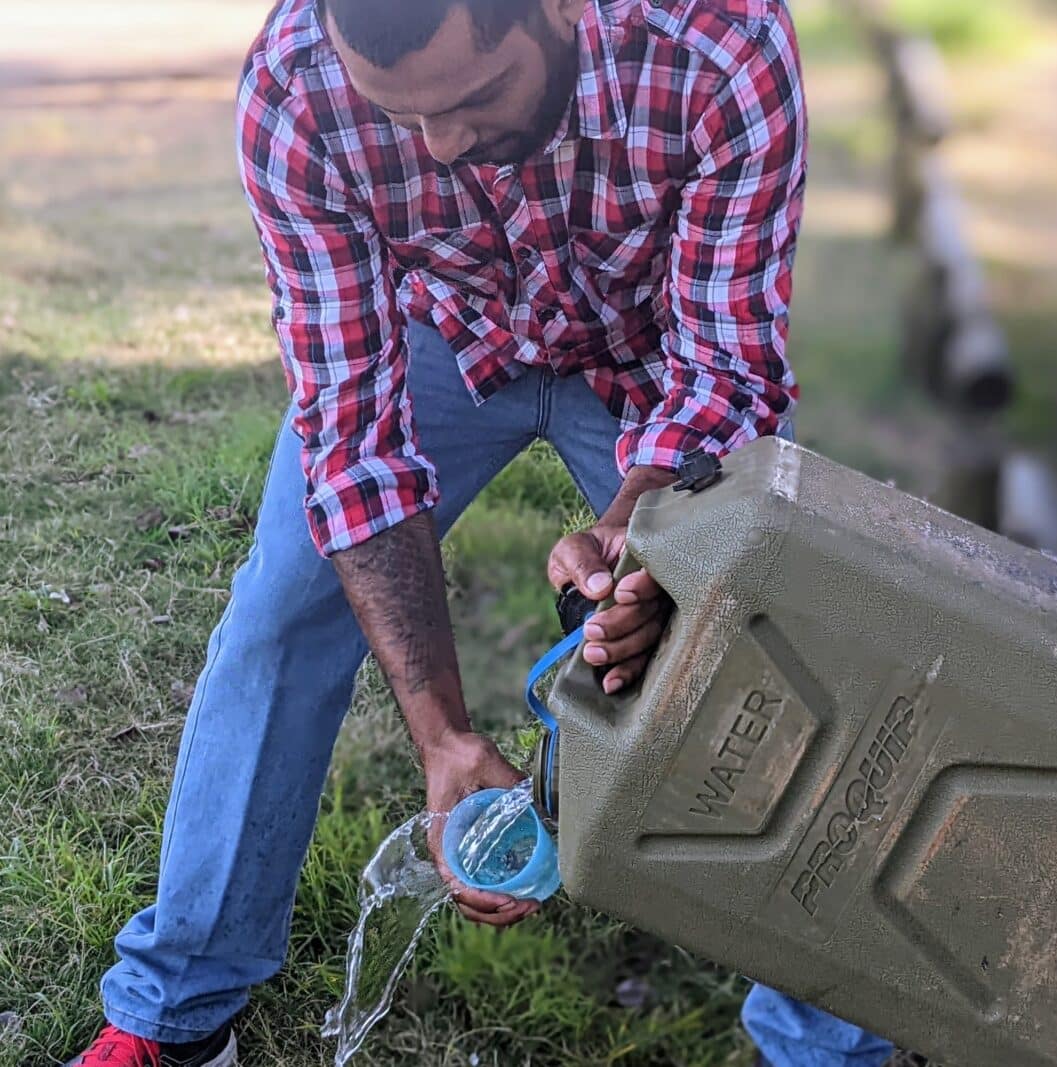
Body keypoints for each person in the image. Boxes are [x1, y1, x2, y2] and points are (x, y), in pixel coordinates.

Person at [63, 2, 898, 1065]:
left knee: (769, 638)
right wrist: (444, 738)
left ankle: (828, 1045)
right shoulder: (295, 85)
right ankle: (177, 1012)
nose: (441, 145)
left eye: (472, 98)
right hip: (442, 332)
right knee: (283, 605)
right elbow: (352, 438)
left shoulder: (718, 39)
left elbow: (726, 368)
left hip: (656, 361)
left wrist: (638, 544)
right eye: (400, 116)